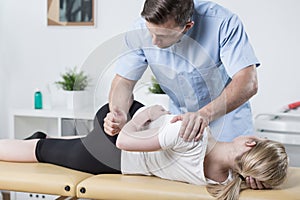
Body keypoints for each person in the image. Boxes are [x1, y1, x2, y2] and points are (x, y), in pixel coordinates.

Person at [0, 102, 288, 200]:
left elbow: (125, 140)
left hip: (114, 148)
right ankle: (52, 138)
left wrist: (146, 113)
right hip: (128, 146)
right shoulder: (225, 183)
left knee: (41, 150)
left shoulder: (190, 135)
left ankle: (41, 139)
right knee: (64, 147)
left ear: (250, 142)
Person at [104, 0, 259, 143]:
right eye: (150, 32)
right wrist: (119, 113)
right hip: (181, 123)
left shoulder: (223, 23)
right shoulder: (138, 30)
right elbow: (123, 81)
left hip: (228, 121)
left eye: (162, 36)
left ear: (187, 26)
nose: (153, 41)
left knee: (232, 170)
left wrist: (203, 115)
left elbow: (248, 82)